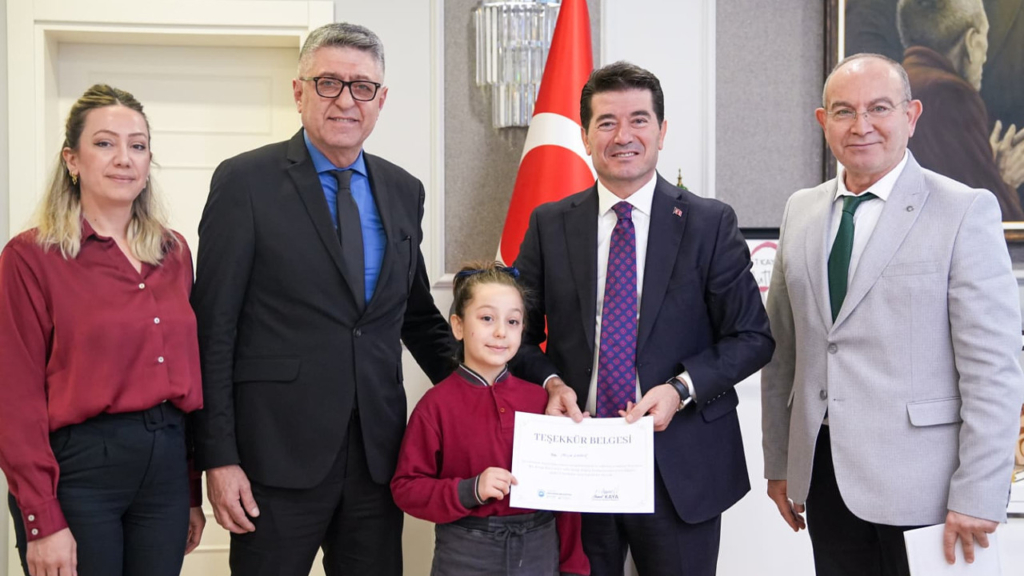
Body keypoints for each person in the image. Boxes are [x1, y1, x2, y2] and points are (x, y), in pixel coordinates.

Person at [190, 22, 455, 576]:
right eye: (329, 82)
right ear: (299, 91)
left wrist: (489, 393)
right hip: (273, 457)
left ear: (381, 100)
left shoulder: (404, 190)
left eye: (362, 87)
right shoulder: (245, 182)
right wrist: (218, 457)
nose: (345, 100)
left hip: (377, 457)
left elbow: (416, 318)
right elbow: (213, 330)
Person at [762, 53, 1024, 576]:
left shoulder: (963, 210)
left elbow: (993, 370)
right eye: (844, 111)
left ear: (911, 115)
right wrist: (781, 462)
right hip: (827, 481)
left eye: (879, 108)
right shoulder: (801, 210)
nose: (861, 125)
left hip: (929, 491)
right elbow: (783, 353)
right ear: (824, 121)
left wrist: (979, 490)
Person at [512, 61, 775, 576]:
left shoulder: (709, 223)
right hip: (578, 458)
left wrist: (680, 388)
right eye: (606, 122)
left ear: (662, 131)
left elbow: (752, 337)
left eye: (639, 120)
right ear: (585, 136)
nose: (623, 136)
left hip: (679, 460)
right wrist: (550, 382)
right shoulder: (549, 224)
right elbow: (515, 336)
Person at [0, 84, 206, 576]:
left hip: (165, 469)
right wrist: (41, 519)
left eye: (138, 145)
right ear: (71, 159)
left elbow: (188, 379)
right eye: (105, 143)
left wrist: (190, 490)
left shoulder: (174, 252)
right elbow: (14, 396)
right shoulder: (30, 257)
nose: (124, 158)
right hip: (79, 473)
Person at [391, 262, 590, 576]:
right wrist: (469, 490)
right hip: (465, 556)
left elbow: (565, 500)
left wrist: (573, 567)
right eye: (487, 318)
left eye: (512, 321)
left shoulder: (543, 402)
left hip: (539, 553)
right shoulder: (435, 406)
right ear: (458, 326)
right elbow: (406, 488)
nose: (500, 332)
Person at [897, 0, 1024, 220]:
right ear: (972, 41)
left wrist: (988, 167)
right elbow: (984, 220)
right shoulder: (951, 95)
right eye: (984, 37)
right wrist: (1005, 181)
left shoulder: (900, 86)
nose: (985, 56)